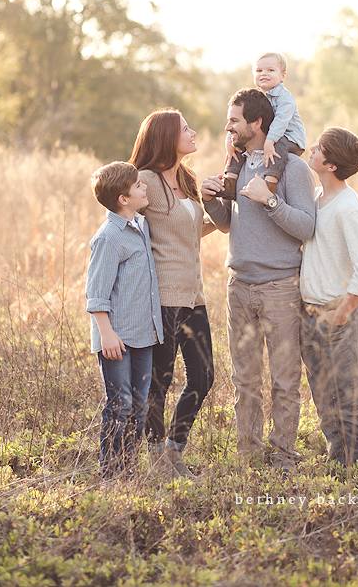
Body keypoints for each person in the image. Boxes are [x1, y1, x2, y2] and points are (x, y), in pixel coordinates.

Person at [201, 88, 315, 472]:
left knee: (284, 379)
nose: (227, 126)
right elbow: (228, 223)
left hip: (280, 287)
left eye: (234, 120)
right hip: (238, 287)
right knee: (244, 379)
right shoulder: (235, 164)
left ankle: (283, 456)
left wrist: (270, 200)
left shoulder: (293, 168)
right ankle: (248, 456)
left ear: (257, 123)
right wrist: (210, 200)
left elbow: (306, 228)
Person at [130, 109, 215, 480]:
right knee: (159, 382)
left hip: (194, 295)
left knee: (204, 376)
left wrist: (229, 214)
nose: (193, 132)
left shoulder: (187, 178)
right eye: (185, 129)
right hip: (162, 298)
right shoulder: (144, 180)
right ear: (166, 137)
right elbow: (121, 221)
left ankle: (174, 450)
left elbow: (187, 232)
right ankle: (156, 462)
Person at [300, 127, 358, 466]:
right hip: (310, 314)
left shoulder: (348, 206)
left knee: (349, 400)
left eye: (320, 147)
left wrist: (344, 311)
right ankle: (339, 463)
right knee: (323, 397)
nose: (312, 148)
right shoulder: (317, 198)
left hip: (338, 317)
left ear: (331, 165)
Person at [86, 161, 163, 482]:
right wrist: (106, 335)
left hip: (143, 335)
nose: (145, 187)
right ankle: (110, 475)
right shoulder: (108, 237)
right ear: (123, 198)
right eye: (139, 186)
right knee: (119, 405)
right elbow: (96, 294)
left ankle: (127, 472)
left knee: (140, 406)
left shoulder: (141, 226)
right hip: (116, 338)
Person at [220, 52, 307, 199]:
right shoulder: (257, 97)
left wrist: (269, 141)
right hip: (272, 137)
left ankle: (270, 183)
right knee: (240, 142)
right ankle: (230, 180)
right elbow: (241, 119)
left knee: (278, 144)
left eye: (270, 70)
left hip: (290, 138)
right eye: (259, 71)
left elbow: (280, 123)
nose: (264, 74)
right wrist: (229, 139)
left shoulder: (286, 98)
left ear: (283, 76)